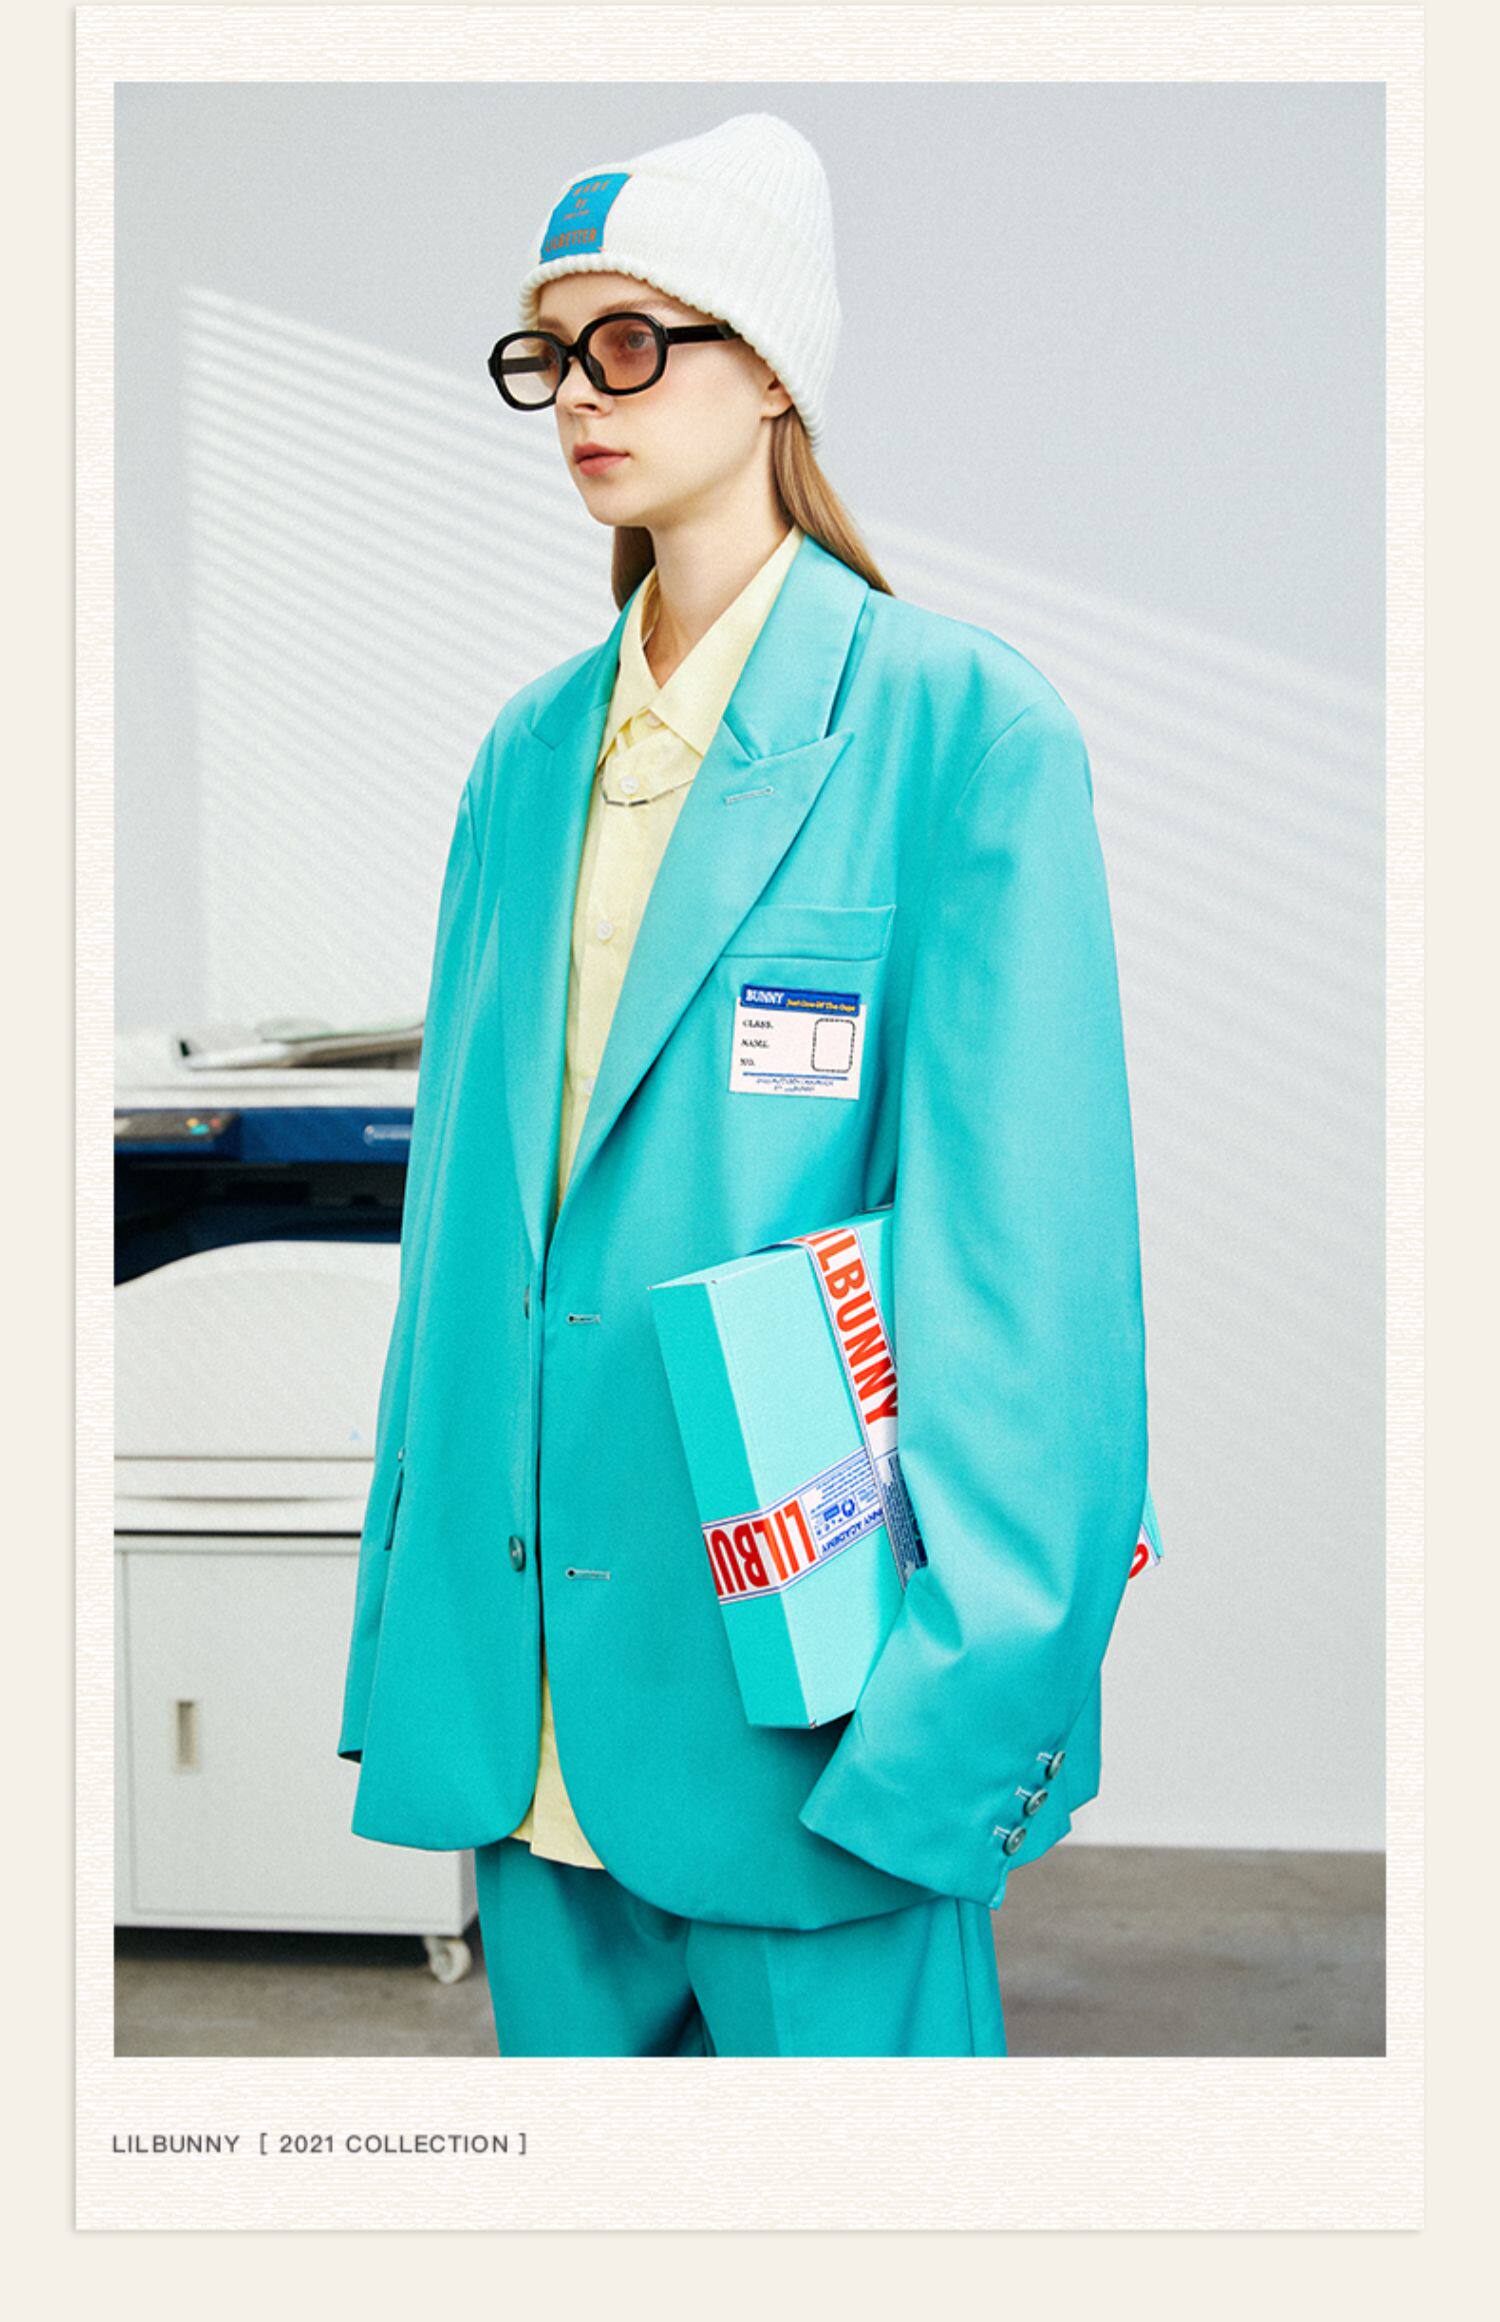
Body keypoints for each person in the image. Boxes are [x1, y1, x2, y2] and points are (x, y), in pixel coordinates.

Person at [338, 111, 1151, 2058]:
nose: (578, 397)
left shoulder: (958, 729)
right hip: (535, 1726)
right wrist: (414, 1640)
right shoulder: (525, 757)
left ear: (771, 367)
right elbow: (460, 1246)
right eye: (552, 354)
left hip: (814, 1736)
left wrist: (958, 1721)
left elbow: (1033, 1285)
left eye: (633, 344)